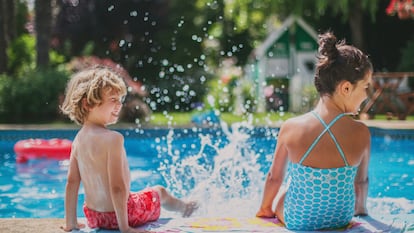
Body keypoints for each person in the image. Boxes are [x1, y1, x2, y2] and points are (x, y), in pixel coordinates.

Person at [256, 31, 372, 231]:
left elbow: (274, 178)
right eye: (365, 87)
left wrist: (265, 210)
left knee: (285, 190)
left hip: (299, 220)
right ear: (346, 88)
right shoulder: (361, 133)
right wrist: (360, 211)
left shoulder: (291, 127)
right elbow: (360, 183)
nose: (366, 95)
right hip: (341, 218)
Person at [59, 67, 198, 233]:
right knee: (159, 191)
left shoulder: (78, 140)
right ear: (88, 103)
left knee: (135, 194)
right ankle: (186, 208)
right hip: (126, 215)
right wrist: (125, 228)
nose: (119, 105)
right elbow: (117, 187)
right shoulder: (113, 139)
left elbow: (72, 182)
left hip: (94, 216)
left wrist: (71, 223)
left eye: (120, 99)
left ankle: (185, 208)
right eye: (112, 99)